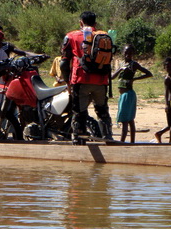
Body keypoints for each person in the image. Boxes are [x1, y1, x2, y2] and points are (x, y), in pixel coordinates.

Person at [60, 11, 113, 144]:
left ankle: (79, 139)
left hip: (80, 80)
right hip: (101, 80)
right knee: (102, 111)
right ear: (95, 23)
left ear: (80, 23)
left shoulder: (71, 36)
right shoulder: (104, 35)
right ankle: (108, 138)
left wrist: (67, 82)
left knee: (79, 112)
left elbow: (64, 63)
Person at [111, 44, 152, 143]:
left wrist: (134, 79)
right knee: (129, 120)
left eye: (130, 53)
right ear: (123, 53)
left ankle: (122, 141)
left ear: (133, 54)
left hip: (128, 95)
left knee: (127, 120)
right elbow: (112, 77)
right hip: (122, 95)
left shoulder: (133, 64)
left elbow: (149, 74)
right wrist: (120, 69)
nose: (128, 54)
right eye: (126, 52)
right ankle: (131, 141)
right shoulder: (121, 65)